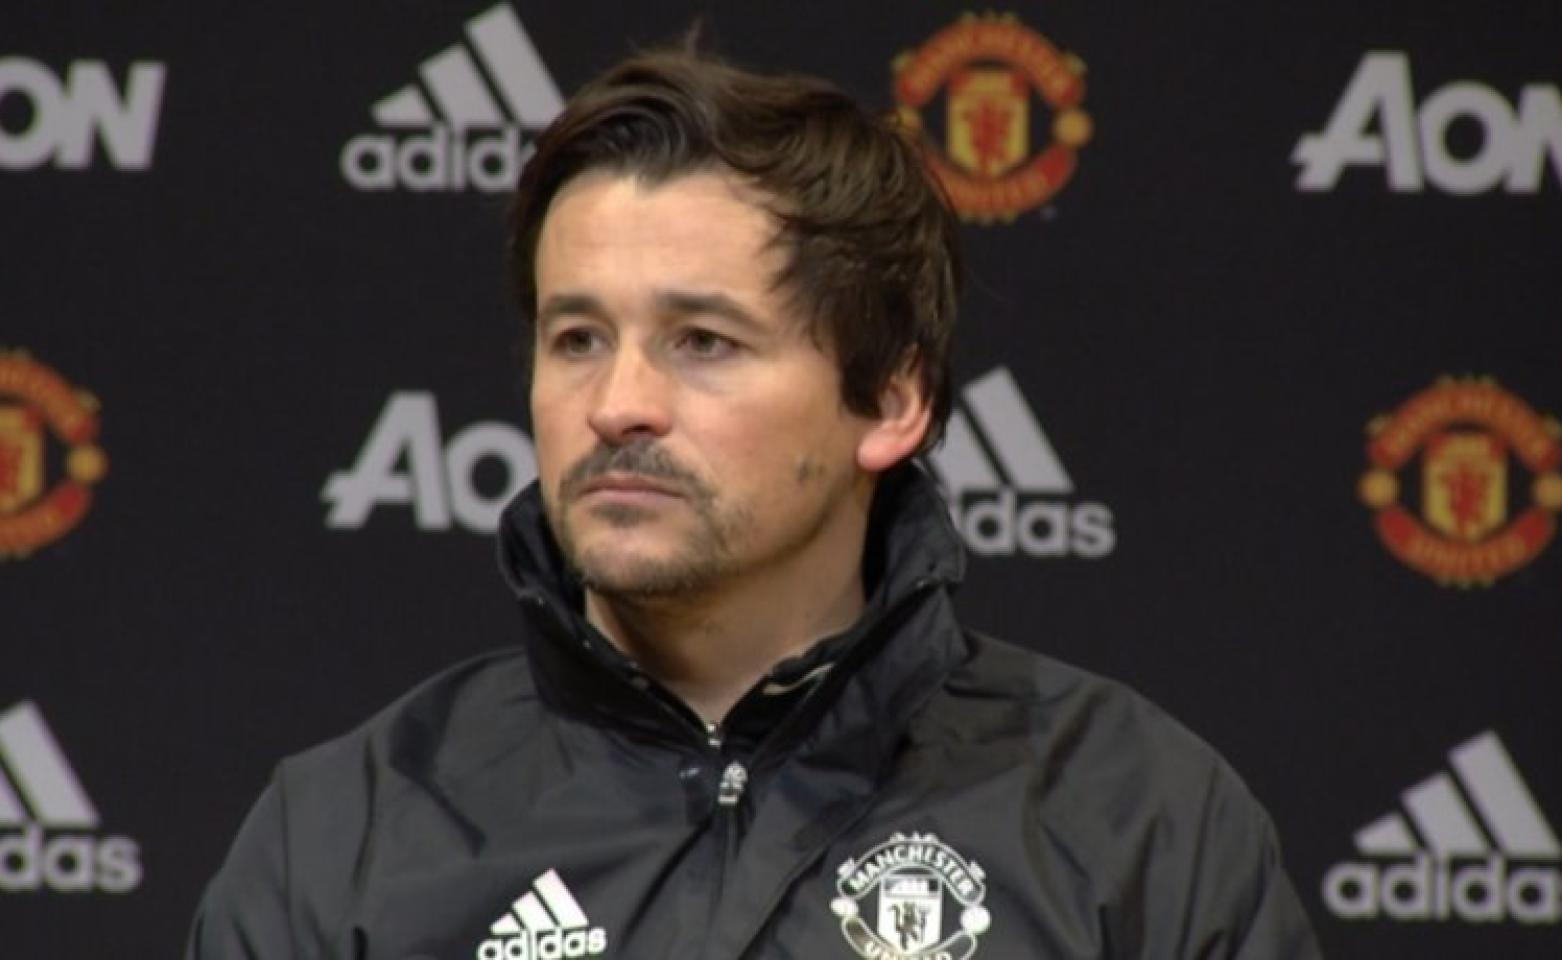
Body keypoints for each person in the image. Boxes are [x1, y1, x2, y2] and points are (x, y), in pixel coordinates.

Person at [188, 47, 1322, 959]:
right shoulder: (347, 835)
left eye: (702, 342)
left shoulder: (1135, 823)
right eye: (576, 338)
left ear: (887, 398)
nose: (617, 403)